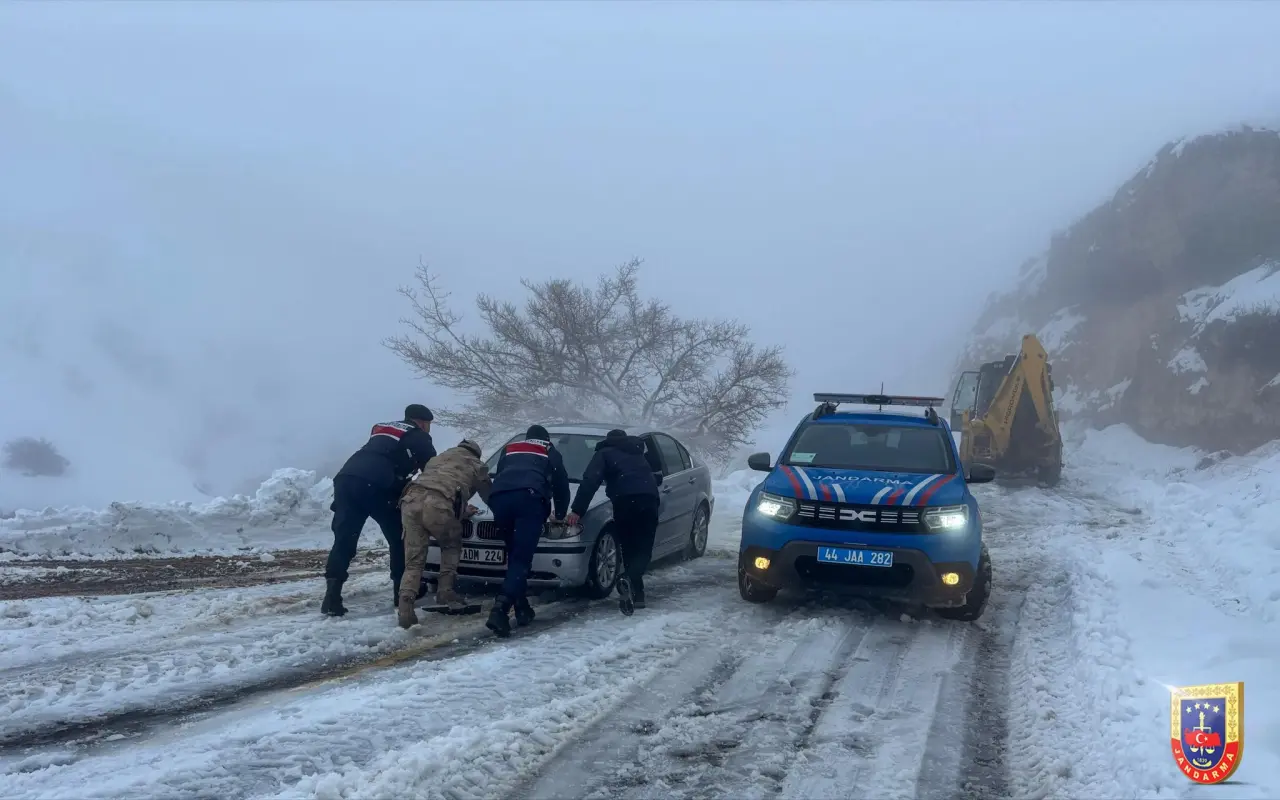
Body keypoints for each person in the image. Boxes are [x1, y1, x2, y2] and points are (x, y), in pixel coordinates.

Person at [322, 404, 437, 617]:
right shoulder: (418, 435)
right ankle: (400, 593)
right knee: (399, 537)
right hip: (377, 485)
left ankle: (332, 596)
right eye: (429, 425)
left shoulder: (382, 427)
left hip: (346, 479)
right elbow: (433, 468)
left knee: (344, 539)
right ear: (422, 422)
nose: (429, 429)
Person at [484, 424, 570, 637]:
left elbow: (500, 473)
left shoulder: (511, 448)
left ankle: (522, 608)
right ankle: (500, 610)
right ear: (546, 438)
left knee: (514, 557)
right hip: (529, 500)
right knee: (521, 559)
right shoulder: (549, 449)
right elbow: (561, 485)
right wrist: (559, 514)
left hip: (500, 499)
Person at [397, 439, 492, 629]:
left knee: (414, 559)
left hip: (410, 500)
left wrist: (461, 509)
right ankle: (445, 591)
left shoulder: (437, 459)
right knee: (451, 545)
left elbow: (438, 485)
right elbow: (489, 496)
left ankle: (405, 607)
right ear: (476, 454)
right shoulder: (476, 465)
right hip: (438, 504)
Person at [566, 429, 662, 614]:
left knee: (628, 547)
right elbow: (654, 475)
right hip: (649, 501)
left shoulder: (604, 453)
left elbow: (590, 481)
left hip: (625, 502)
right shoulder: (638, 452)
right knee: (644, 549)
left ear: (608, 440)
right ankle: (638, 592)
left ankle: (628, 578)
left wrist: (577, 510)